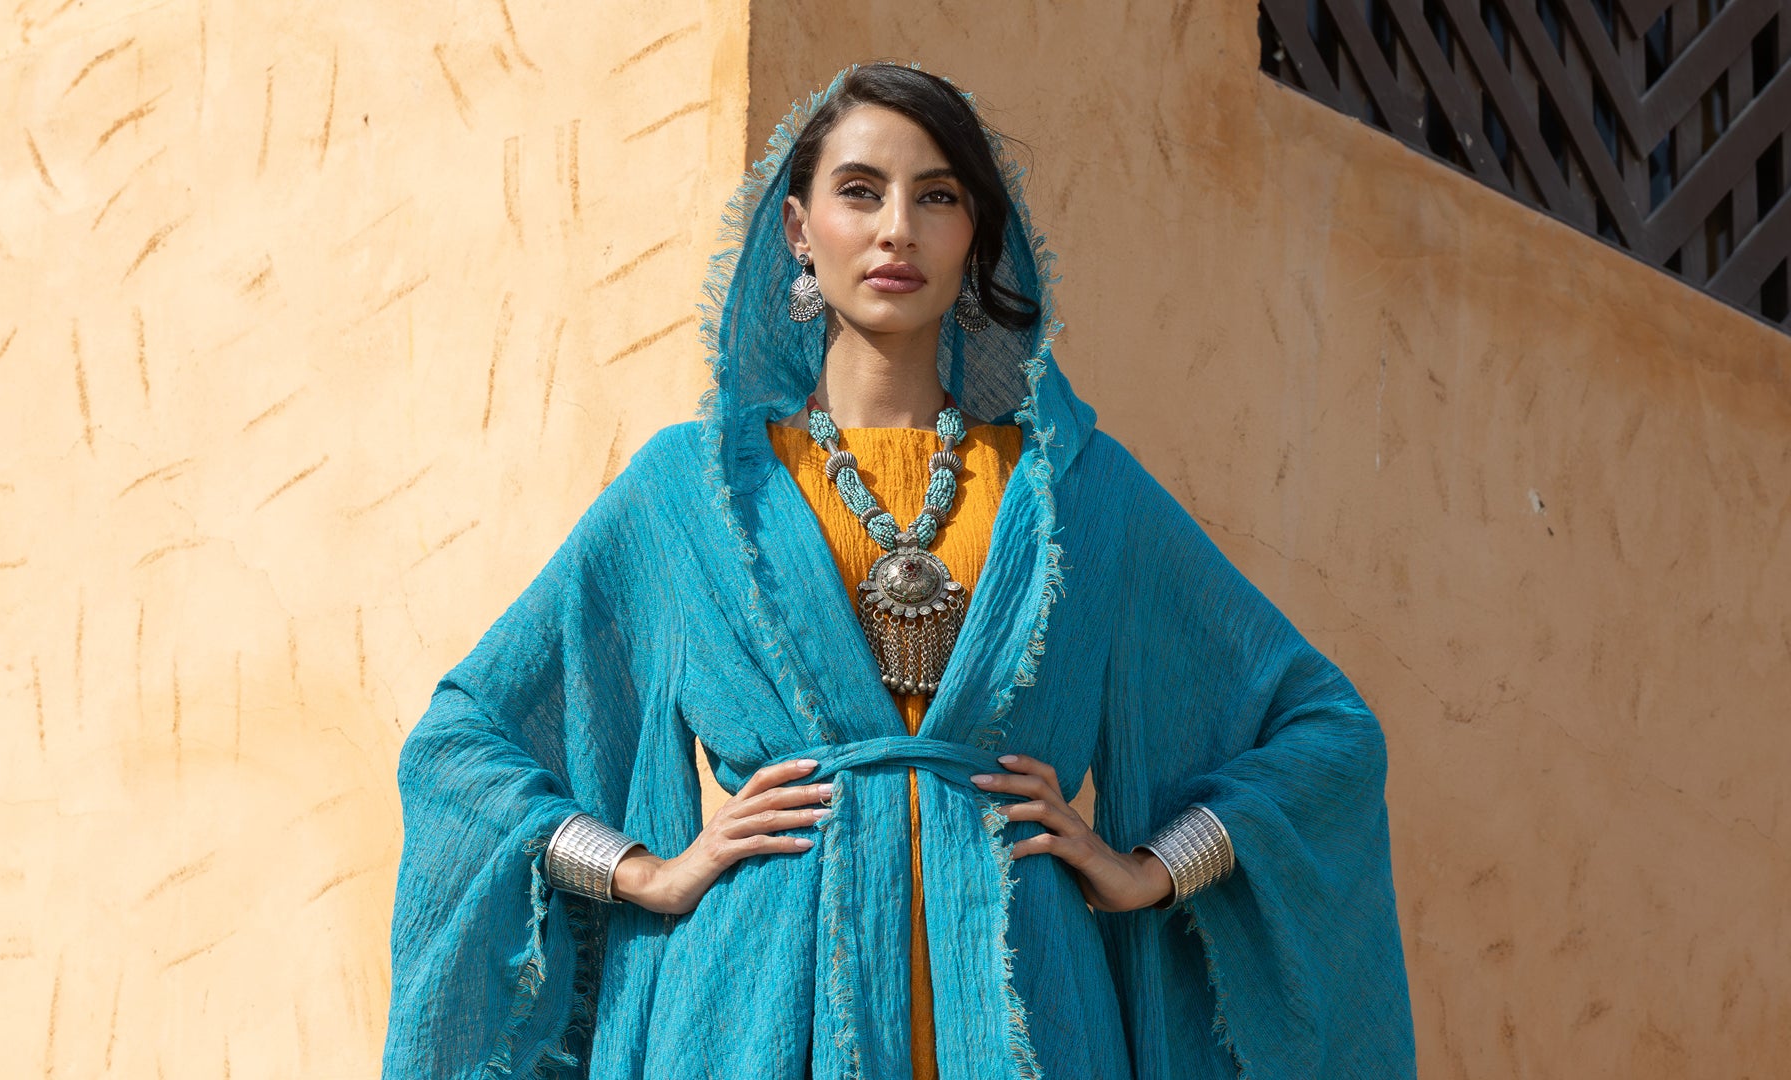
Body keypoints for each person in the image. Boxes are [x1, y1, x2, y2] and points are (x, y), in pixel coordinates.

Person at [382, 61, 1417, 1079]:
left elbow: (1326, 733)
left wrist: (1151, 867)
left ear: (976, 242)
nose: (896, 230)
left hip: (1030, 1004)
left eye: (937, 197)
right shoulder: (689, 496)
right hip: (748, 1004)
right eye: (860, 192)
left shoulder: (1076, 492)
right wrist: (644, 870)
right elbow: (458, 749)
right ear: (798, 229)